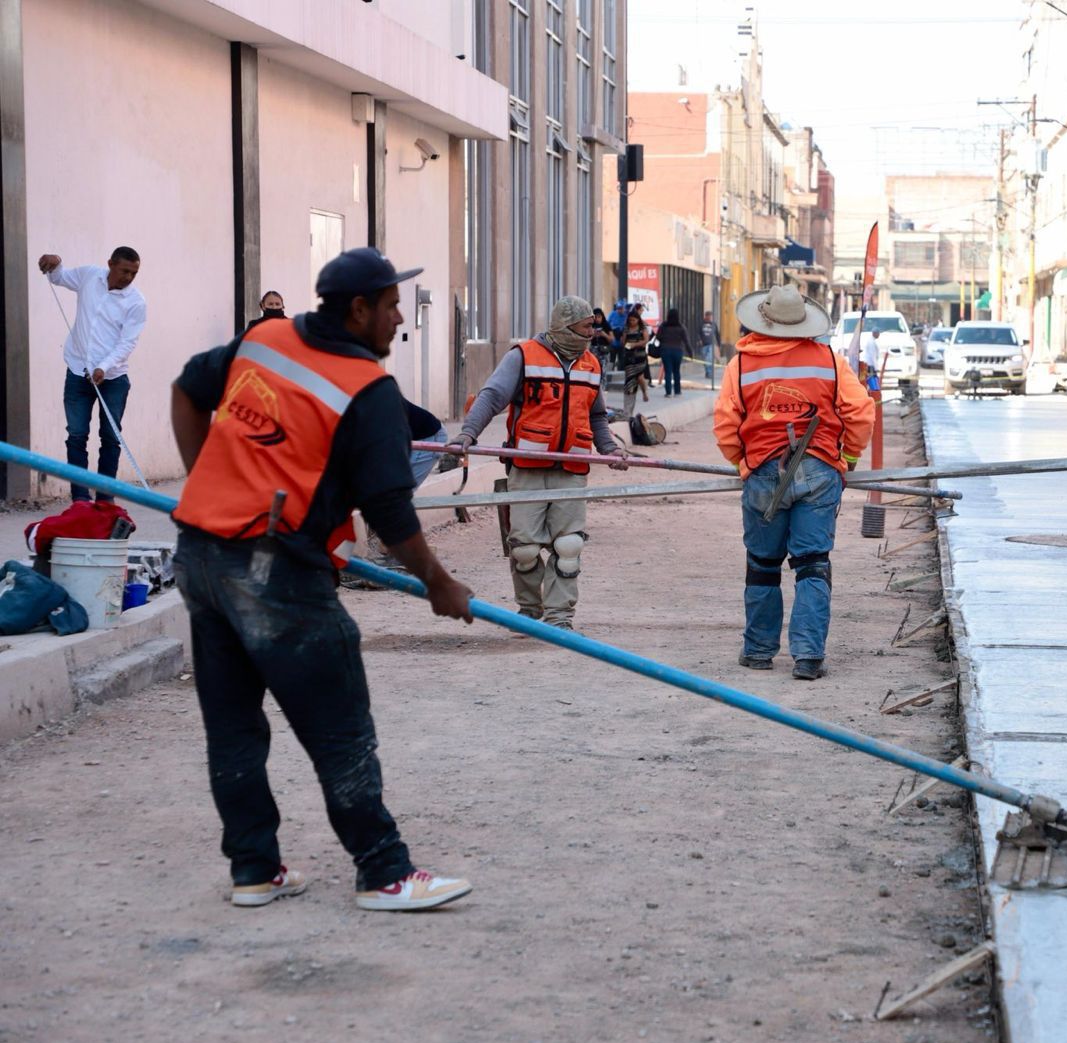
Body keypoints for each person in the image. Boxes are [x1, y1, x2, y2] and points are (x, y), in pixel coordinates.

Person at [168, 247, 475, 912]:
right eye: (390, 305)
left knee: (233, 726)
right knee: (340, 728)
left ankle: (253, 868)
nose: (398, 317)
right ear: (358, 309)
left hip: (200, 554)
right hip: (276, 572)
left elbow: (188, 389)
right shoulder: (367, 389)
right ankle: (385, 871)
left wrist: (205, 484)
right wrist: (439, 583)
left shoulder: (265, 337)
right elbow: (389, 509)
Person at [714, 284, 875, 681]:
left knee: (762, 566)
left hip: (764, 471)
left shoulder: (742, 364)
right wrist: (847, 460)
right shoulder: (830, 361)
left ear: (763, 319)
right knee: (813, 565)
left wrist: (742, 463)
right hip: (820, 470)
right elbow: (860, 413)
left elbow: (725, 423)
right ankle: (808, 656)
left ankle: (758, 651)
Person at [449, 295, 627, 630]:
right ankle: (531, 610)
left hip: (571, 469)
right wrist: (468, 434)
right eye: (587, 326)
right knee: (525, 549)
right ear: (565, 326)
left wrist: (610, 450)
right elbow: (492, 397)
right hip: (528, 467)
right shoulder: (524, 357)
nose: (592, 332)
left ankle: (559, 617)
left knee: (569, 545)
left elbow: (597, 415)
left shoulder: (590, 364)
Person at [38, 247, 147, 502]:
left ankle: (105, 499)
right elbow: (59, 277)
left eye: (134, 273)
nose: (129, 277)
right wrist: (55, 262)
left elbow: (127, 343)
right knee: (76, 436)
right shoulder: (89, 276)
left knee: (110, 438)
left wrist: (104, 367)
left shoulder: (136, 302)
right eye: (125, 271)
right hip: (77, 372)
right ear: (110, 264)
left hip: (114, 379)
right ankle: (80, 499)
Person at [619, 309, 652, 418]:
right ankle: (627, 411)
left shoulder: (642, 329)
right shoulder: (626, 329)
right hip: (629, 358)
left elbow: (646, 341)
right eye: (630, 320)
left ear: (638, 320)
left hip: (640, 358)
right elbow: (623, 343)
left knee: (640, 378)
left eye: (634, 320)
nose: (632, 322)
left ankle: (644, 392)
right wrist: (624, 336)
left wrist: (635, 345)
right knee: (629, 383)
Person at [654, 307, 691, 397]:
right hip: (678, 351)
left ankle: (668, 392)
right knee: (676, 371)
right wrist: (690, 352)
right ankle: (677, 391)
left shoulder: (663, 326)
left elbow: (658, 337)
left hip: (665, 350)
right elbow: (686, 341)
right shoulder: (681, 327)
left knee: (668, 371)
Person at [700, 309, 720, 380]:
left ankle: (710, 373)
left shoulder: (714, 324)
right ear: (705, 316)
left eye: (710, 316)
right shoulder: (701, 324)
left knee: (709, 359)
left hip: (711, 344)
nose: (709, 318)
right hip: (704, 345)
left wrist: (718, 344)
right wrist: (699, 340)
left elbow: (717, 335)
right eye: (708, 316)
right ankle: (707, 372)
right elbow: (698, 333)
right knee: (705, 360)